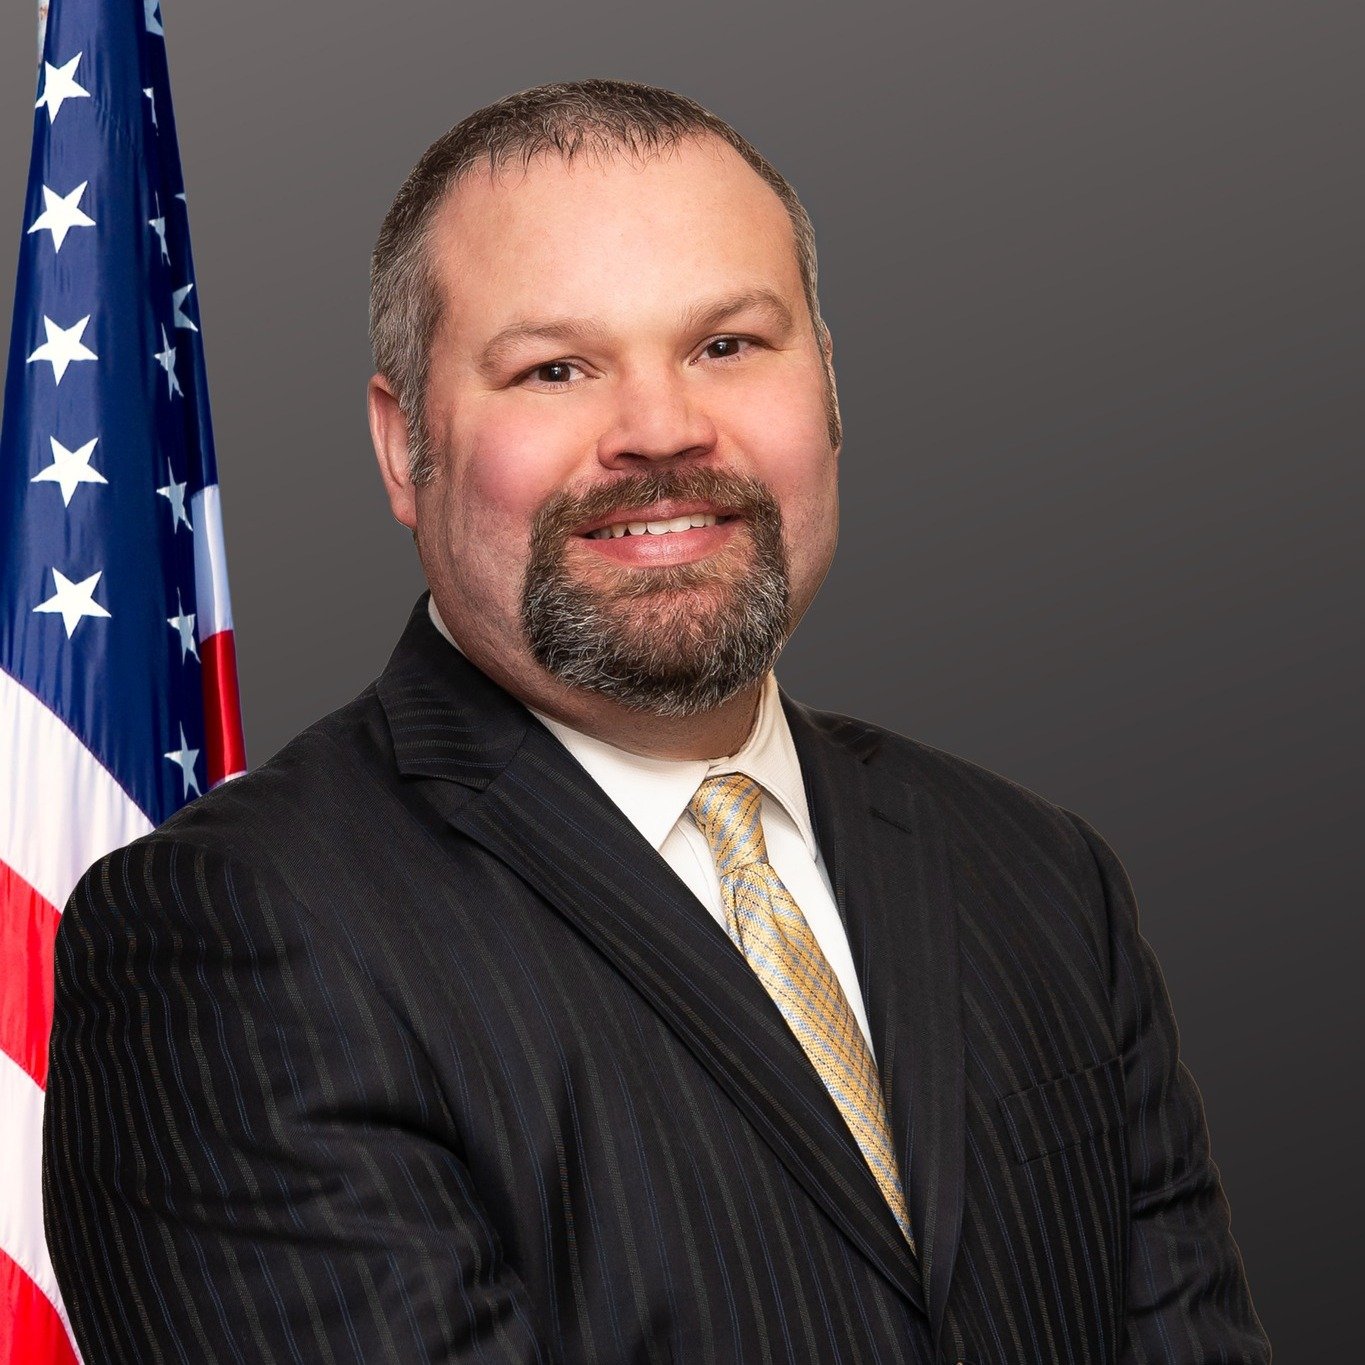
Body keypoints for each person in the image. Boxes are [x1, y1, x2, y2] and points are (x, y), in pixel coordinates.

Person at [43, 79, 1270, 1363]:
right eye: (556, 368)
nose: (662, 431)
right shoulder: (232, 937)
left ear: (833, 390)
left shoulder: (1038, 872)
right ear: (405, 447)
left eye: (728, 345)